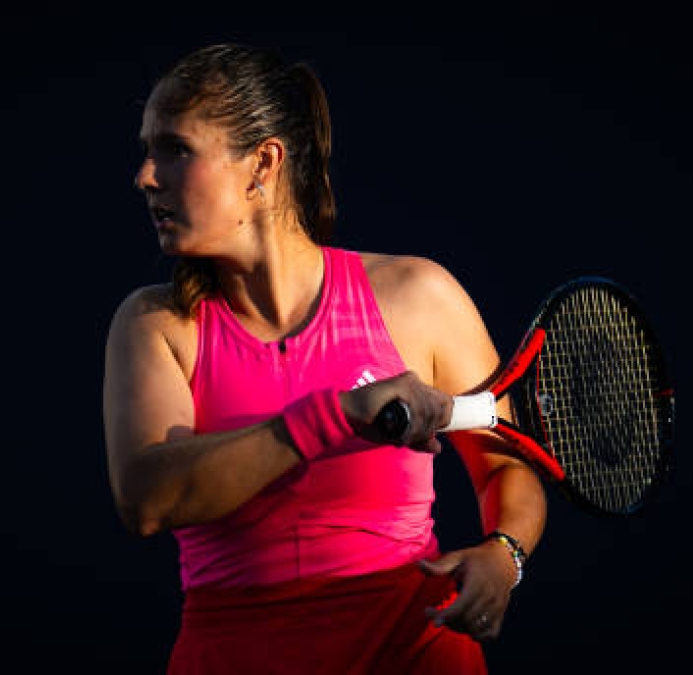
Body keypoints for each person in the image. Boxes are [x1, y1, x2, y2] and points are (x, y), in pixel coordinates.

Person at [102, 43, 547, 674]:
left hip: (413, 646)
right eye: (148, 150)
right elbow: (146, 499)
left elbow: (508, 463)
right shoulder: (154, 325)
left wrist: (506, 555)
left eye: (175, 148)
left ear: (263, 164)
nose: (145, 175)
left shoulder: (419, 295)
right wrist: (336, 414)